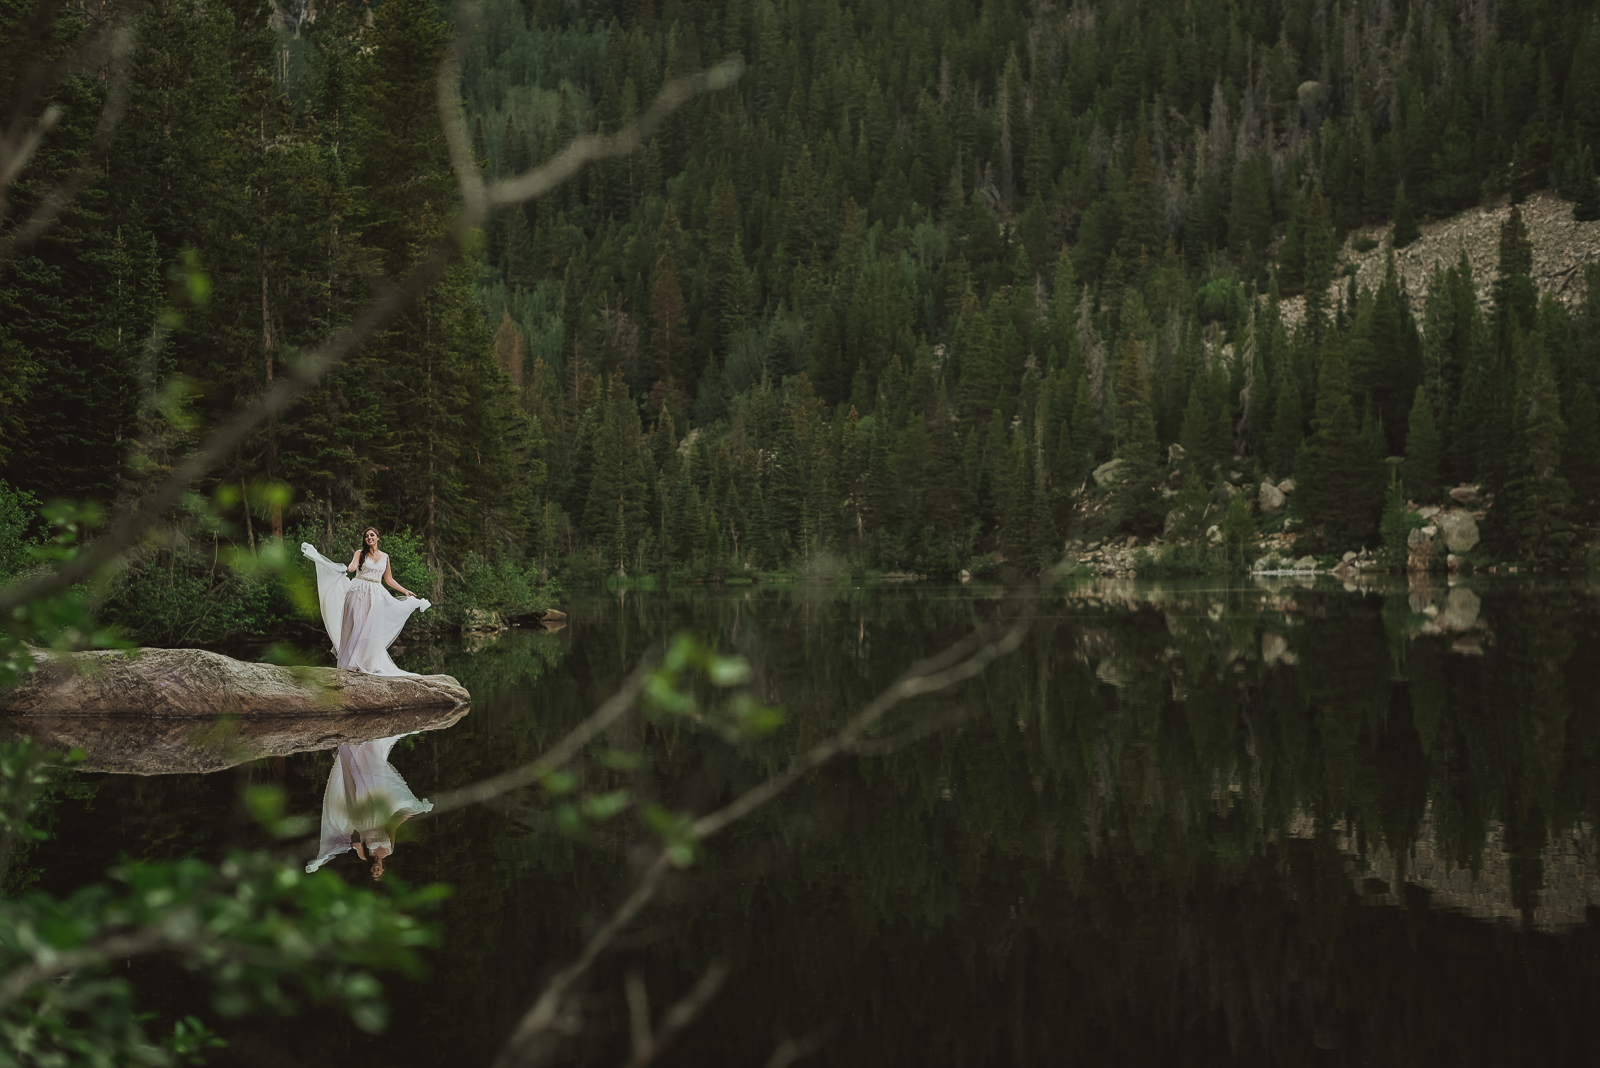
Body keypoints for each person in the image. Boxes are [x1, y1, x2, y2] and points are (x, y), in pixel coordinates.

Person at [301, 528, 432, 676]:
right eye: (366, 536)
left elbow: (388, 579)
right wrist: (345, 569)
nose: (369, 537)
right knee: (357, 624)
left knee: (371, 627)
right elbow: (352, 567)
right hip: (358, 591)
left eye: (372, 535)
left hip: (376, 593)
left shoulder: (385, 557)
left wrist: (405, 591)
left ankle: (368, 663)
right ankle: (352, 663)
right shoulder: (360, 553)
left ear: (377, 538)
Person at [305, 735, 432, 879]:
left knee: (355, 785)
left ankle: (347, 748)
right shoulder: (389, 850)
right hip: (378, 817)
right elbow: (392, 828)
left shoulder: (364, 855)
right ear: (383, 869)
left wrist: (356, 845)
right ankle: (363, 750)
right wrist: (408, 813)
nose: (375, 870)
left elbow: (354, 842)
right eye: (377, 872)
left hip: (362, 818)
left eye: (372, 872)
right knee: (371, 783)